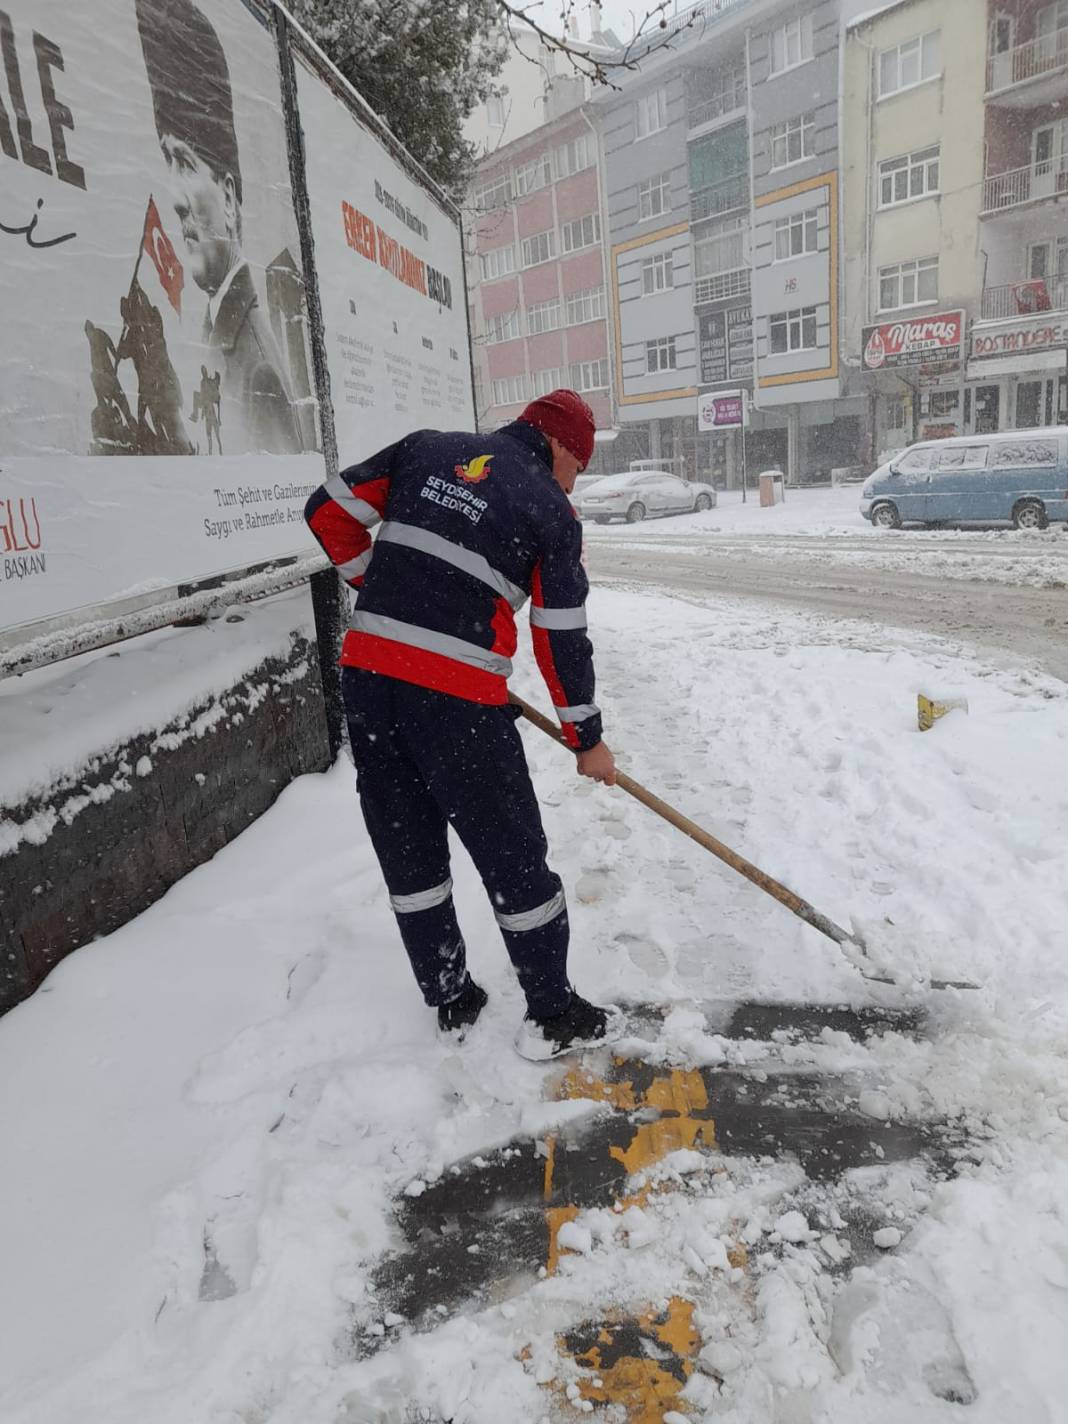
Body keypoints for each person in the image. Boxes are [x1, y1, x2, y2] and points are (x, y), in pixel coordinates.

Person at [304, 391, 620, 1059]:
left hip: (368, 681)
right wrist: (585, 738)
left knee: (406, 840)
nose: (574, 482)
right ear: (562, 447)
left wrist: (388, 590)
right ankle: (553, 1014)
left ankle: (450, 998)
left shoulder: (426, 449)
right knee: (512, 855)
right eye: (579, 468)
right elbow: (560, 635)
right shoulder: (550, 511)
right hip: (456, 706)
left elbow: (327, 510)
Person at [136, 0, 302, 456]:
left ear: (228, 198)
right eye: (167, 162)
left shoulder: (257, 370)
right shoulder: (215, 333)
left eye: (186, 165)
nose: (175, 198)